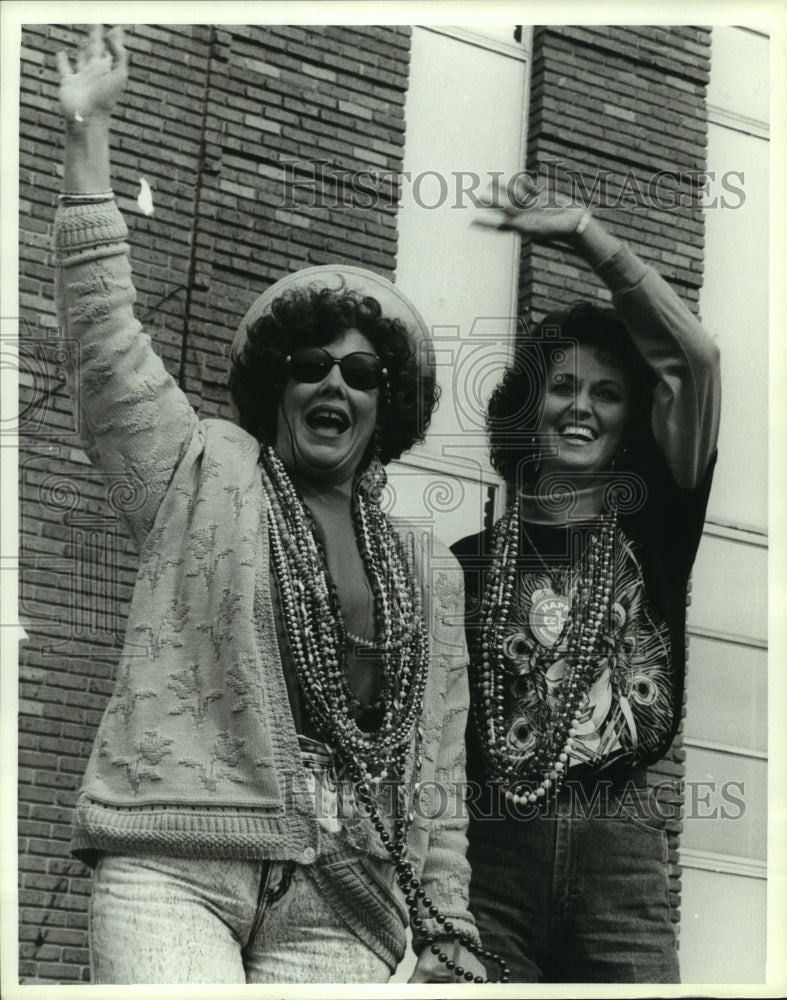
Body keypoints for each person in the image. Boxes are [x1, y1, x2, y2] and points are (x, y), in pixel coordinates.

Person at [53, 25, 498, 985]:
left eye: (360, 370)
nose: (332, 384)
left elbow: (439, 766)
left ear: (386, 402)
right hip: (179, 863)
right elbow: (106, 351)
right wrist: (86, 140)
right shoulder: (202, 471)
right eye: (309, 365)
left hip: (349, 901)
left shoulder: (426, 566)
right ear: (278, 384)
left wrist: (449, 917)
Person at [451, 176, 721, 982]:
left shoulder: (655, 526)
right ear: (528, 407)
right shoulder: (462, 565)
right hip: (487, 850)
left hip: (620, 849)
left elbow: (696, 360)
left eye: (606, 393)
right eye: (562, 386)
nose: (581, 407)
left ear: (629, 420)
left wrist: (587, 237)